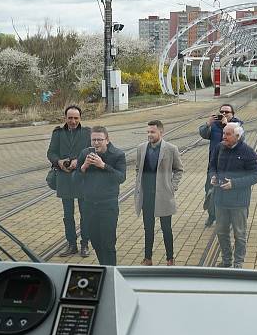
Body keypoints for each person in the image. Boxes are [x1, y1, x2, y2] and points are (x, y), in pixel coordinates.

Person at [209, 122, 257, 268]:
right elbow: (212, 165)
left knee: (239, 234)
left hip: (239, 202)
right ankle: (227, 261)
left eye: (227, 134)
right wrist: (213, 176)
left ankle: (238, 263)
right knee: (221, 232)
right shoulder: (219, 147)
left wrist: (234, 183)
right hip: (220, 199)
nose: (223, 136)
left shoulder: (248, 152)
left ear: (237, 136)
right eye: (223, 133)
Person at [134, 120, 184, 266]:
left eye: (152, 132)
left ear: (161, 132)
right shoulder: (141, 148)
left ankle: (170, 258)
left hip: (163, 195)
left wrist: (172, 187)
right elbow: (138, 168)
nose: (149, 134)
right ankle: (147, 258)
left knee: (166, 228)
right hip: (146, 196)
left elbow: (179, 169)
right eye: (148, 132)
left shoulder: (171, 148)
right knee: (148, 228)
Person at [77, 126, 126, 265]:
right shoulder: (84, 154)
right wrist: (83, 167)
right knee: (96, 242)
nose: (96, 143)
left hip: (108, 206)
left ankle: (111, 272)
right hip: (89, 206)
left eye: (99, 139)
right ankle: (104, 267)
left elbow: (121, 178)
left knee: (108, 244)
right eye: (93, 140)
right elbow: (75, 179)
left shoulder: (117, 155)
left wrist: (103, 165)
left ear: (107, 140)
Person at [47, 105, 91, 257]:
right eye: (70, 118)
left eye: (76, 118)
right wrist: (58, 162)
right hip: (64, 177)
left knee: (85, 213)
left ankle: (85, 244)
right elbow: (51, 152)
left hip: (82, 177)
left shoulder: (87, 133)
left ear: (80, 118)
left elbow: (92, 152)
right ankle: (71, 244)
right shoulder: (58, 133)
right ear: (65, 118)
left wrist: (78, 161)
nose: (73, 121)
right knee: (68, 215)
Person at [199, 103, 243, 227]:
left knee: (228, 193)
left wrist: (226, 125)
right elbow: (203, 133)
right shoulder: (214, 126)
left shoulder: (237, 125)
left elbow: (241, 140)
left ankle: (228, 220)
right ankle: (211, 216)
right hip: (214, 165)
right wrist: (208, 124)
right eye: (221, 112)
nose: (223, 114)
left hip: (230, 166)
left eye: (227, 112)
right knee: (210, 191)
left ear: (232, 114)